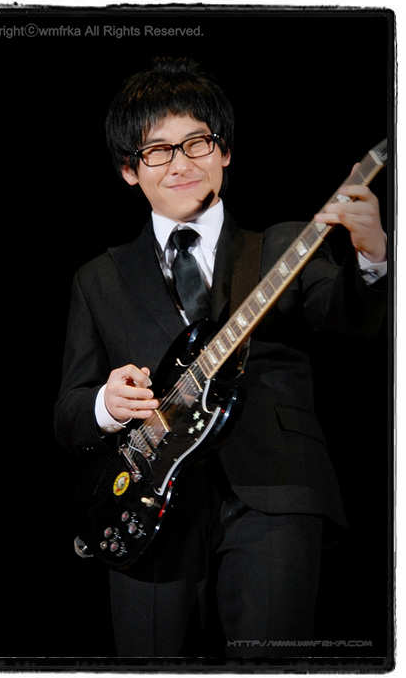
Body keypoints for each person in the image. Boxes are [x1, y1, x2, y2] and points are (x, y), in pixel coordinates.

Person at [54, 57, 387, 658]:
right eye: (157, 151)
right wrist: (106, 403)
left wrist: (371, 258)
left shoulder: (282, 245)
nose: (181, 163)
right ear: (129, 169)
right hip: (146, 510)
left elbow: (349, 317)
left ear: (224, 151)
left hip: (275, 491)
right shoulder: (97, 279)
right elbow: (69, 413)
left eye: (197, 143)